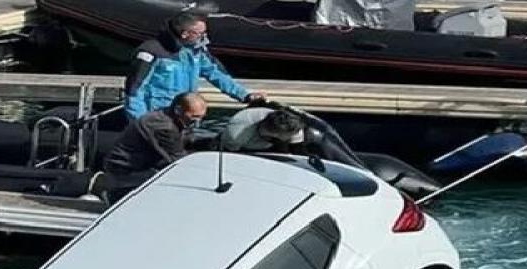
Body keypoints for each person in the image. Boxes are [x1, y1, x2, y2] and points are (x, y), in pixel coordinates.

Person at [124, 12, 265, 120]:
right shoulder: (151, 52)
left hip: (186, 116)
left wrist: (245, 95)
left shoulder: (196, 51)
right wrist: (140, 122)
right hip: (158, 117)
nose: (204, 37)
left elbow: (216, 74)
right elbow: (134, 90)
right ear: (185, 34)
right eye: (200, 34)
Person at [103, 92, 209, 196]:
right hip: (126, 173)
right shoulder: (163, 127)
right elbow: (179, 159)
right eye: (194, 118)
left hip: (142, 165)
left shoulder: (173, 117)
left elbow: (187, 141)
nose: (197, 123)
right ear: (178, 110)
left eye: (201, 118)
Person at [219, 106, 359, 166]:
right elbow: (229, 155)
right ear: (275, 133)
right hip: (244, 147)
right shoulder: (237, 133)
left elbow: (298, 152)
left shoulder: (292, 125)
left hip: (272, 139)